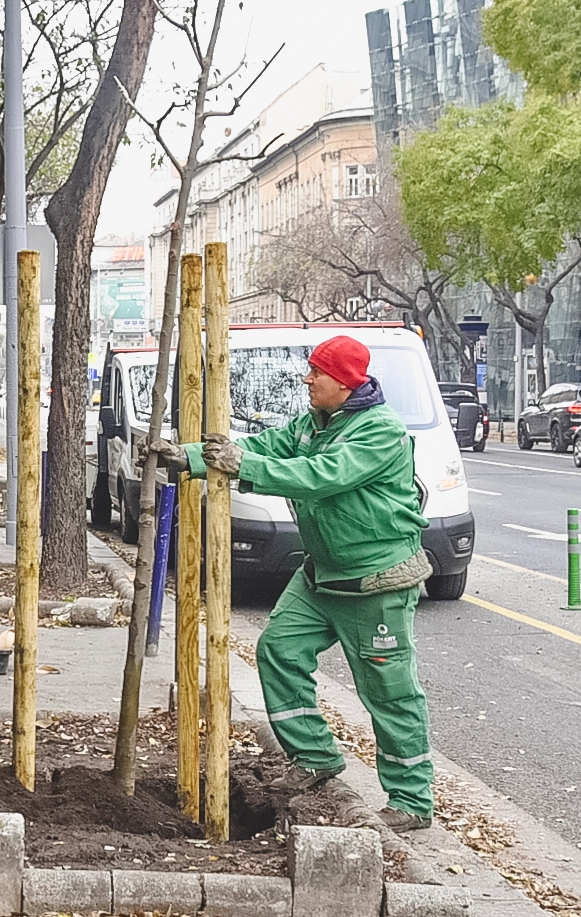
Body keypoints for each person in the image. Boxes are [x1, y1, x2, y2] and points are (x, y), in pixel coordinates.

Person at [173, 334, 436, 832]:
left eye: (317, 373)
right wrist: (190, 457)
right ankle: (314, 756)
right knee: (279, 650)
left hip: (374, 582)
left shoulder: (381, 432)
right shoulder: (315, 422)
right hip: (321, 574)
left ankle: (411, 801)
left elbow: (320, 476)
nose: (307, 379)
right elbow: (261, 446)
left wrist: (242, 467)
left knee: (390, 691)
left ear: (344, 383)